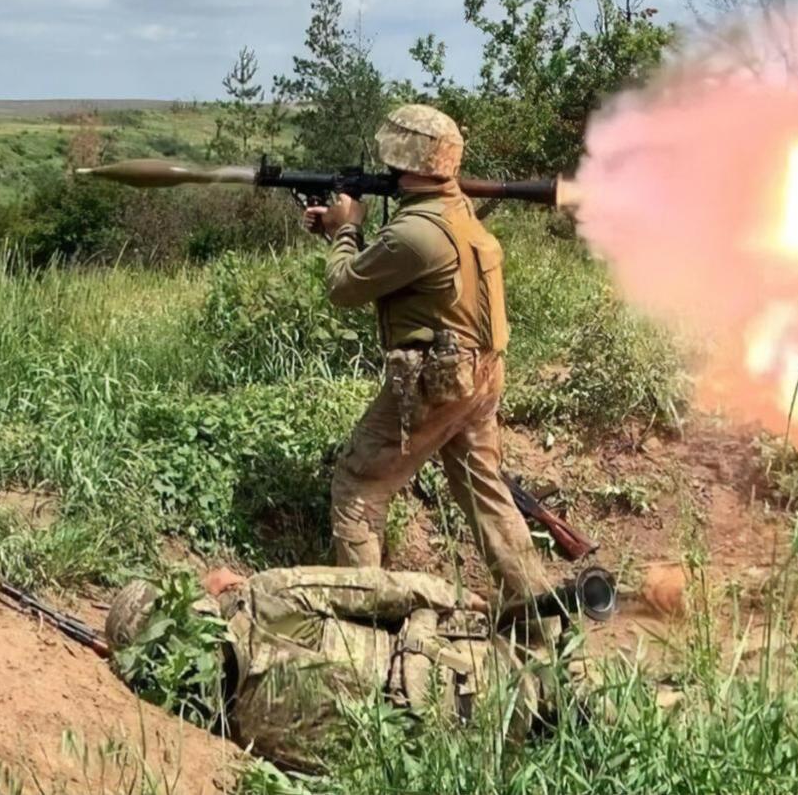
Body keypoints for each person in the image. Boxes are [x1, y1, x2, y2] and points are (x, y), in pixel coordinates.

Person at [302, 104, 549, 603]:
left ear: (404, 161)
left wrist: (345, 230)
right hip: (481, 376)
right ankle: (537, 610)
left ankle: (365, 620)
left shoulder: (414, 232)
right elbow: (404, 264)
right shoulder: (458, 213)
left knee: (358, 484)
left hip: (438, 380)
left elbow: (345, 286)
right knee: (486, 492)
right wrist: (340, 225)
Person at [106, 566, 546, 771]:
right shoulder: (262, 598)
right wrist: (458, 599)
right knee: (582, 698)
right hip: (474, 681)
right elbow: (380, 589)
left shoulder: (220, 719)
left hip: (450, 762)